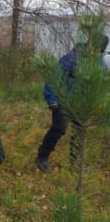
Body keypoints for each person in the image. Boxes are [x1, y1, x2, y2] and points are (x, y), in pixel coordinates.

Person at [36, 35, 109, 172]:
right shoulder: (72, 58)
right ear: (89, 46)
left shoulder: (100, 63)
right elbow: (54, 77)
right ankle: (42, 157)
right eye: (95, 50)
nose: (97, 54)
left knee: (80, 131)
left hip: (82, 104)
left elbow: (104, 83)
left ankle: (74, 162)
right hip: (64, 101)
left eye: (100, 52)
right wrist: (51, 99)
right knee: (59, 128)